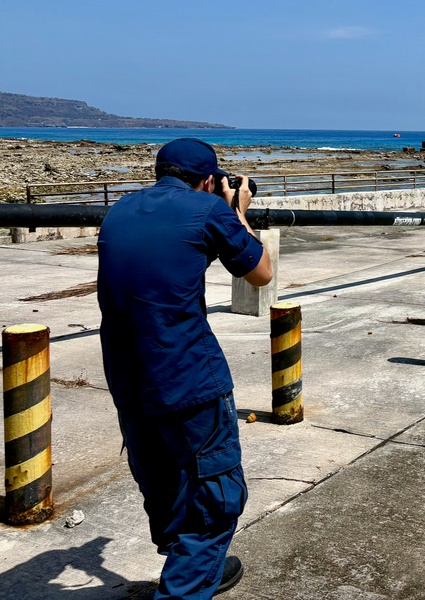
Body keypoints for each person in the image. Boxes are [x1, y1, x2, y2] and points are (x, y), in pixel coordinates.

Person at [97, 138, 272, 599]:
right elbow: (260, 273)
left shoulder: (120, 210)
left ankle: (190, 566)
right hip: (188, 377)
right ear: (210, 180)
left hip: (129, 379)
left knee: (166, 481)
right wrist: (237, 211)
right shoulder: (208, 210)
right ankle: (185, 586)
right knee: (216, 500)